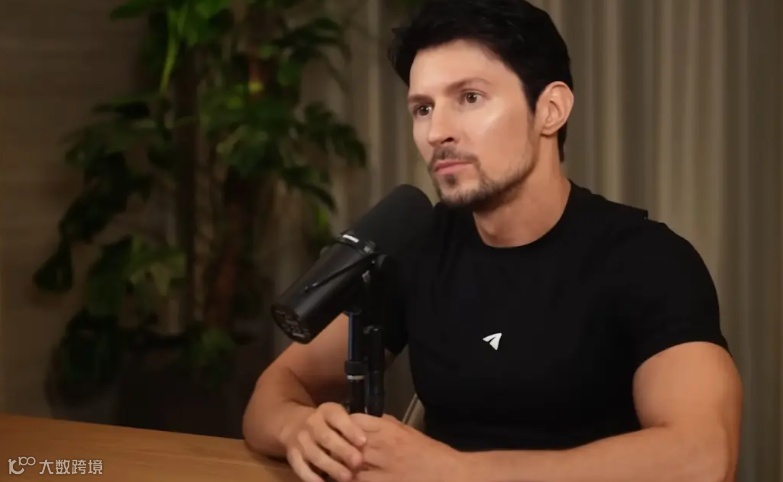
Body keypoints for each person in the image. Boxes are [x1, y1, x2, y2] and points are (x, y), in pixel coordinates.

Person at [242, 1, 743, 481]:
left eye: (470, 98)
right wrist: (300, 430)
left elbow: (703, 457)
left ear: (550, 110)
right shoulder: (419, 245)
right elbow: (277, 389)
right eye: (423, 108)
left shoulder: (646, 259)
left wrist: (459, 473)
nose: (437, 132)